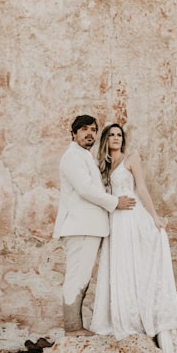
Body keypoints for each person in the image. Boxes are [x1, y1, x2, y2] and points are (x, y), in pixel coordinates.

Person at [89, 123, 177, 353]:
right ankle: (122, 313)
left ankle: (142, 316)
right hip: (116, 222)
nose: (116, 139)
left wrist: (155, 217)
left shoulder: (131, 159)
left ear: (123, 140)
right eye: (112, 135)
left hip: (133, 218)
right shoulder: (103, 165)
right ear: (106, 140)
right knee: (119, 267)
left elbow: (141, 188)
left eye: (119, 135)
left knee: (139, 265)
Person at [53, 115, 136, 336]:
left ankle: (76, 326)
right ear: (73, 134)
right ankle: (72, 328)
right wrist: (115, 202)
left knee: (82, 277)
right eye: (83, 129)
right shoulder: (72, 157)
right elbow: (85, 189)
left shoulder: (84, 156)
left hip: (89, 228)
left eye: (93, 130)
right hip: (80, 227)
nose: (89, 133)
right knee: (77, 277)